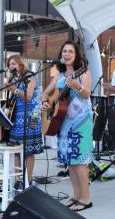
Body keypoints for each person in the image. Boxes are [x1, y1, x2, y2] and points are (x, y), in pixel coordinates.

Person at [42, 41, 93, 211]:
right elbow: (45, 93)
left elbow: (87, 94)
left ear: (76, 55)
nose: (67, 54)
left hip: (81, 122)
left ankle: (86, 199)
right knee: (70, 162)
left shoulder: (83, 72)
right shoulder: (59, 76)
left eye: (70, 51)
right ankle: (76, 196)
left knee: (80, 161)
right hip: (63, 122)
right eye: (64, 51)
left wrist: (77, 86)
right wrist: (46, 103)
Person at [4, 55, 43, 186]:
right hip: (18, 117)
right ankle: (17, 180)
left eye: (13, 63)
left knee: (28, 151)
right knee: (16, 151)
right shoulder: (15, 79)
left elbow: (28, 96)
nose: (11, 66)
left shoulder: (29, 76)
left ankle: (28, 179)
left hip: (31, 116)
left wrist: (12, 88)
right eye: (9, 64)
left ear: (20, 64)